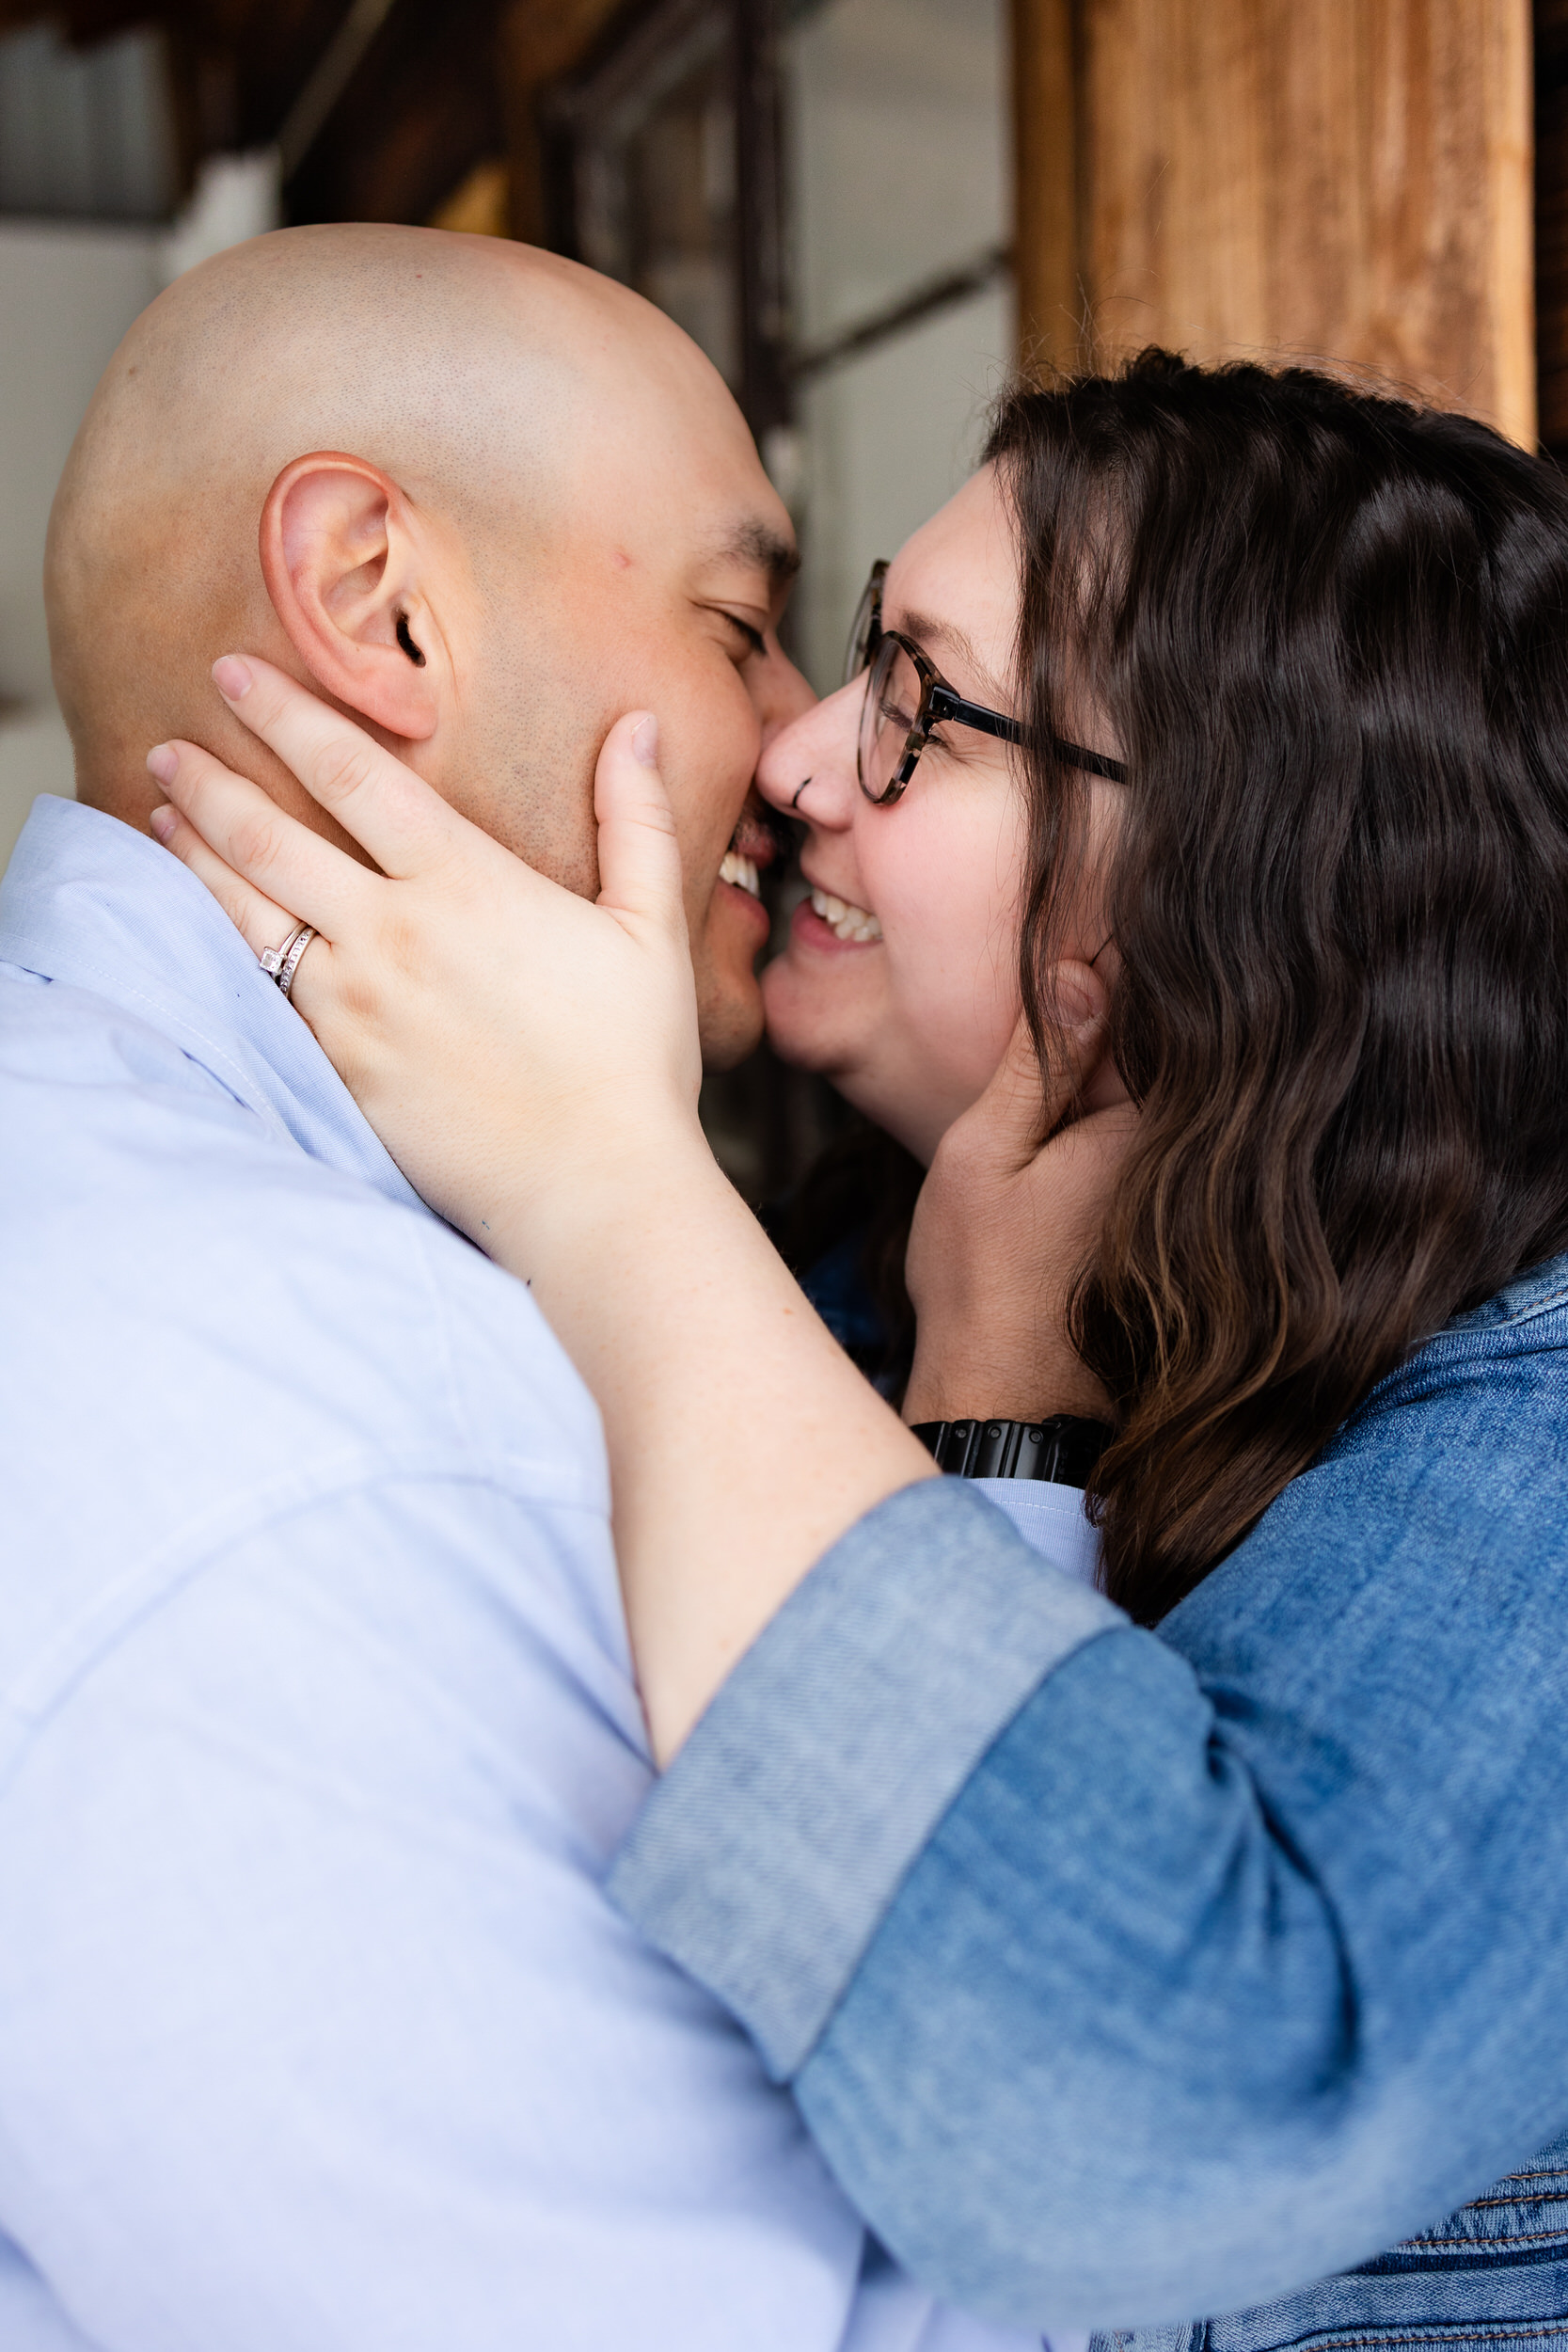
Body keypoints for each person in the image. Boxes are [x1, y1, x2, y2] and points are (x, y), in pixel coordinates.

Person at [152, 353, 1568, 2351]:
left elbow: (1131, 2115)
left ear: (1246, 870)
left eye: (923, 706)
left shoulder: (1534, 1438)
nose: (798, 757)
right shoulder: (827, 1284)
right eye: (851, 656)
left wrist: (612, 1185)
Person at [0, 220, 1037, 2350]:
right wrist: (1013, 1411)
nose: (795, 747)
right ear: (380, 599)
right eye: (741, 625)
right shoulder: (330, 1449)